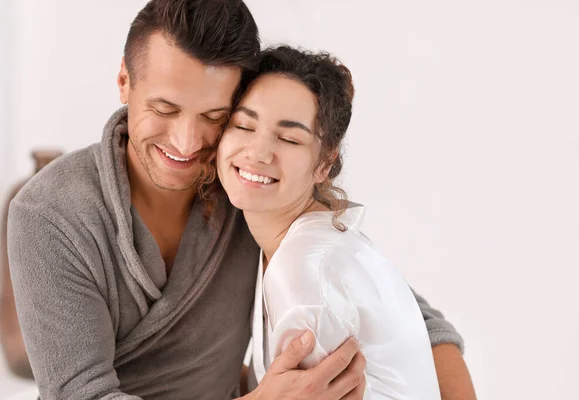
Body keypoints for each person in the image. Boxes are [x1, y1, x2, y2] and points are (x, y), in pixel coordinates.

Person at [7, 1, 474, 399]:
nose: (188, 143)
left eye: (216, 115)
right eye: (165, 109)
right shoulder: (51, 215)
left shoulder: (247, 183)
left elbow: (400, 309)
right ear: (125, 82)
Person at [214, 46, 440, 399]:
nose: (257, 153)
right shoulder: (311, 240)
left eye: (289, 138)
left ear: (324, 163)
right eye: (244, 125)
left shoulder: (303, 273)